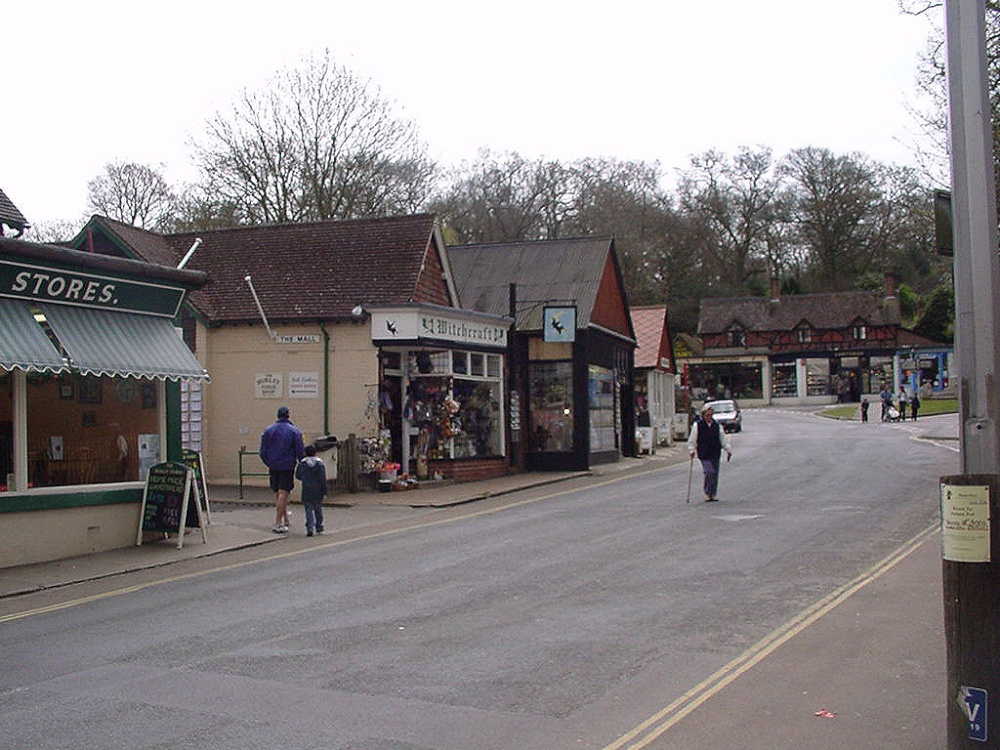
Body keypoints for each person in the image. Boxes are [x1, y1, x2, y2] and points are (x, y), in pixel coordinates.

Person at [260, 405, 305, 533]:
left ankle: (286, 519)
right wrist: (302, 461)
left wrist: (268, 462)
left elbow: (263, 452)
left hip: (273, 465)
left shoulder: (268, 430)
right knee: (283, 493)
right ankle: (278, 522)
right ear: (288, 415)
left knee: (279, 493)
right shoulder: (294, 431)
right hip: (287, 465)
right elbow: (300, 451)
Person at [687, 402, 734, 502]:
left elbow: (723, 439)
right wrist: (692, 450)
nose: (709, 417)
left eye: (711, 415)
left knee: (715, 473)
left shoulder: (717, 426)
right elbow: (692, 439)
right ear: (703, 415)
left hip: (715, 452)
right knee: (709, 471)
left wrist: (728, 450)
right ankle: (707, 492)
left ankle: (712, 493)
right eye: (707, 415)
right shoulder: (697, 426)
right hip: (704, 453)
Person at [295, 444, 328, 536]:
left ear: (305, 453)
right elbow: (322, 479)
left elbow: (297, 475)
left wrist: (305, 478)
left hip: (306, 489)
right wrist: (324, 491)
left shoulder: (302, 464)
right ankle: (319, 527)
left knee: (308, 509)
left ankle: (310, 527)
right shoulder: (319, 464)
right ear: (315, 453)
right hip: (317, 490)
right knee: (318, 509)